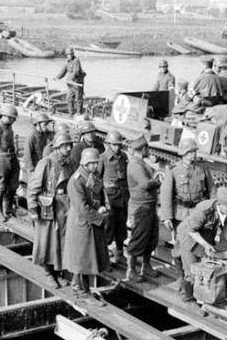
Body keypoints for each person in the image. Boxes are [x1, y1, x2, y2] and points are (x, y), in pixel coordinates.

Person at [160, 138, 209, 294]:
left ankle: (193, 279)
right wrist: (167, 216)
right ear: (184, 153)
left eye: (195, 151)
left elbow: (210, 192)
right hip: (180, 215)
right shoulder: (173, 170)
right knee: (180, 247)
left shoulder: (202, 170)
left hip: (197, 214)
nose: (194, 154)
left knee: (195, 247)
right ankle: (182, 277)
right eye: (191, 152)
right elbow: (166, 194)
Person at [27, 132, 76, 288]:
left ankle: (58, 273)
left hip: (65, 209)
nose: (68, 148)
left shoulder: (70, 163)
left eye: (70, 145)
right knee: (46, 243)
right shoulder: (46, 163)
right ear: (57, 147)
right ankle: (49, 273)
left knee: (61, 243)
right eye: (65, 146)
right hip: (48, 209)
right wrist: (33, 210)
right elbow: (33, 188)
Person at [63, 148, 110, 307]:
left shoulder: (90, 176)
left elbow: (96, 196)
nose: (96, 166)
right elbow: (82, 208)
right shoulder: (76, 181)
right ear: (86, 163)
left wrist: (101, 207)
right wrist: (100, 217)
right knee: (83, 259)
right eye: (94, 163)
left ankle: (77, 285)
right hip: (81, 225)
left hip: (88, 223)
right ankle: (84, 293)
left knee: (83, 258)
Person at [177, 186, 227, 302]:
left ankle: (205, 297)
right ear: (219, 204)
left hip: (206, 238)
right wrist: (205, 245)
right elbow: (192, 231)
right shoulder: (204, 209)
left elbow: (225, 225)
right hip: (189, 238)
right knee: (192, 270)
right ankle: (187, 299)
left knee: (207, 268)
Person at [125, 135, 162, 282]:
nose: (149, 150)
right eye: (147, 148)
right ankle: (131, 271)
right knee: (138, 239)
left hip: (149, 205)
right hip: (140, 208)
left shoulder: (141, 163)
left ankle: (146, 266)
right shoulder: (135, 165)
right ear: (143, 149)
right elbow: (146, 184)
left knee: (151, 238)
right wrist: (158, 180)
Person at [97, 130, 129, 264]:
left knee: (121, 225)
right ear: (109, 144)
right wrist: (101, 201)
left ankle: (119, 253)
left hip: (122, 195)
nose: (117, 147)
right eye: (115, 145)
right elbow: (97, 180)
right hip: (109, 196)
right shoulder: (103, 158)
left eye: (119, 145)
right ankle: (104, 256)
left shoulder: (123, 157)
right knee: (109, 226)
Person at [23, 113, 54, 184]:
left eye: (47, 124)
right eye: (45, 124)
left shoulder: (46, 134)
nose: (46, 127)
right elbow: (27, 155)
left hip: (43, 166)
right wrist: (31, 170)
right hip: (35, 167)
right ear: (38, 124)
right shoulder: (31, 136)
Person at [55, 47, 86, 116]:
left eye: (71, 54)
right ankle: (71, 113)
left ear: (73, 54)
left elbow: (76, 71)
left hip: (77, 83)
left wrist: (71, 79)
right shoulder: (67, 62)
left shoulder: (76, 60)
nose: (70, 55)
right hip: (70, 84)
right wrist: (57, 77)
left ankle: (79, 113)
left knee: (78, 98)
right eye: (69, 54)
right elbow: (63, 71)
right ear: (67, 55)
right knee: (69, 98)